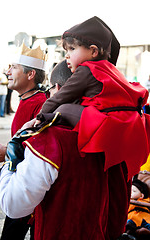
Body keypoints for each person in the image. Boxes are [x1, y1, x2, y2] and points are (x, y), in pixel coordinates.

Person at [0, 58, 130, 240]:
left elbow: (13, 204)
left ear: (59, 89)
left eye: (50, 89)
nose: (48, 95)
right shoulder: (119, 133)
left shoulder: (51, 138)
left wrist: (11, 159)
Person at [36, 16, 150, 180]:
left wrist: (39, 117)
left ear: (93, 51)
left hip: (110, 123)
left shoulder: (86, 70)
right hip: (127, 123)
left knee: (62, 109)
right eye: (66, 51)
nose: (67, 56)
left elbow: (59, 97)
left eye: (72, 49)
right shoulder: (109, 68)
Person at [0, 43, 47, 240]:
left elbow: (41, 148)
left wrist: (7, 150)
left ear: (30, 75)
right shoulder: (26, 99)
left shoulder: (40, 103)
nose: (8, 71)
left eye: (13, 67)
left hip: (29, 189)